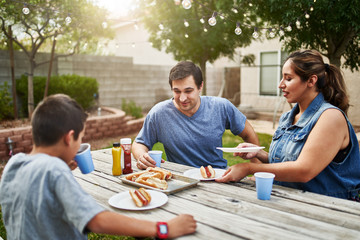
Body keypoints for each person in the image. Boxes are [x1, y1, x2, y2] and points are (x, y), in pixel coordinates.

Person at [0, 94, 197, 239]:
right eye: (81, 138)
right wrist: (163, 228)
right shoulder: (54, 171)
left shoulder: (14, 165)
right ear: (69, 138)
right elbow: (97, 221)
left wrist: (58, 170)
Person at [216, 49, 360, 201]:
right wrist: (258, 153)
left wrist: (248, 168)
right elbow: (287, 163)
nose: (280, 85)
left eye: (288, 79)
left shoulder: (330, 117)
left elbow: (304, 170)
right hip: (289, 201)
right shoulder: (287, 117)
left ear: (311, 81)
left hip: (329, 207)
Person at [132, 61, 259, 170]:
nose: (182, 98)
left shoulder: (221, 106)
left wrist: (256, 168)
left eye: (188, 91)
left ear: (200, 87)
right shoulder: (159, 113)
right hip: (180, 180)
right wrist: (141, 156)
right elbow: (139, 143)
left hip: (217, 177)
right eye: (177, 91)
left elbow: (249, 134)